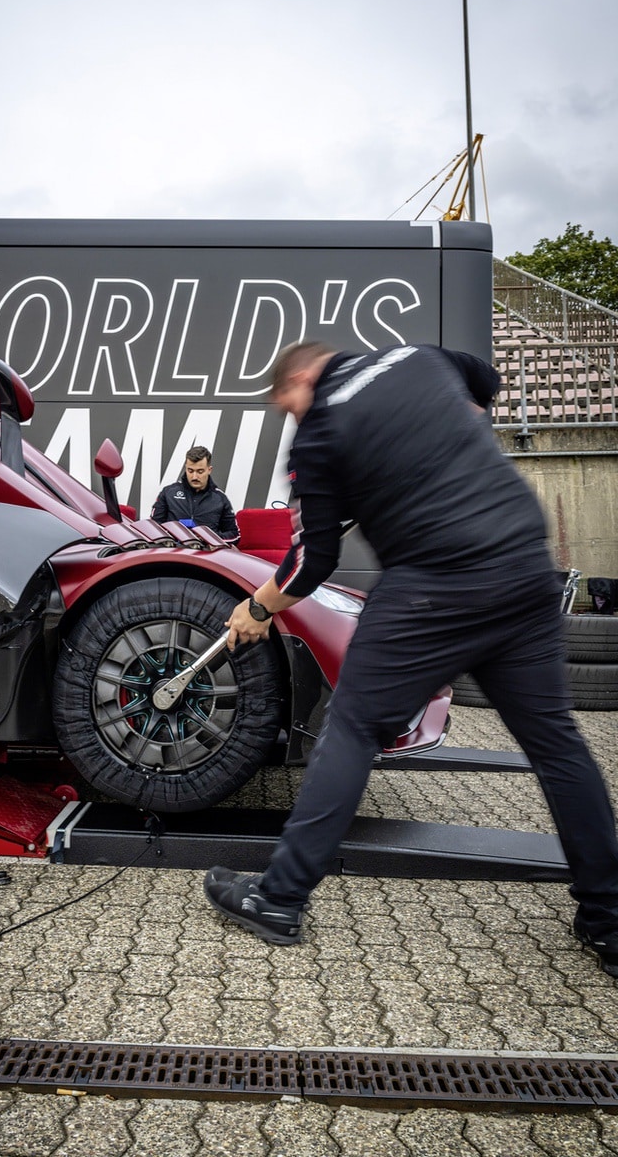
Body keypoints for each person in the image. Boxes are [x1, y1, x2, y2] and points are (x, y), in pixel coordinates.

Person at [203, 339, 618, 978]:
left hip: (434, 584)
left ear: (304, 378)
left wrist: (256, 608)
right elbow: (486, 379)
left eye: (285, 402)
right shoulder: (419, 358)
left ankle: (278, 899)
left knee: (353, 727)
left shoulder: (319, 433)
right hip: (522, 562)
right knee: (557, 744)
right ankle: (609, 920)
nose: (289, 415)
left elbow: (314, 560)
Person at [150, 445, 239, 540]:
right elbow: (153, 527)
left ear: (209, 470)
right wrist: (172, 536)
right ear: (186, 468)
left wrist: (210, 539)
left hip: (206, 553)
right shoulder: (168, 493)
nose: (194, 477)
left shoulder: (220, 499)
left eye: (200, 471)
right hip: (173, 552)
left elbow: (234, 535)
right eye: (190, 471)